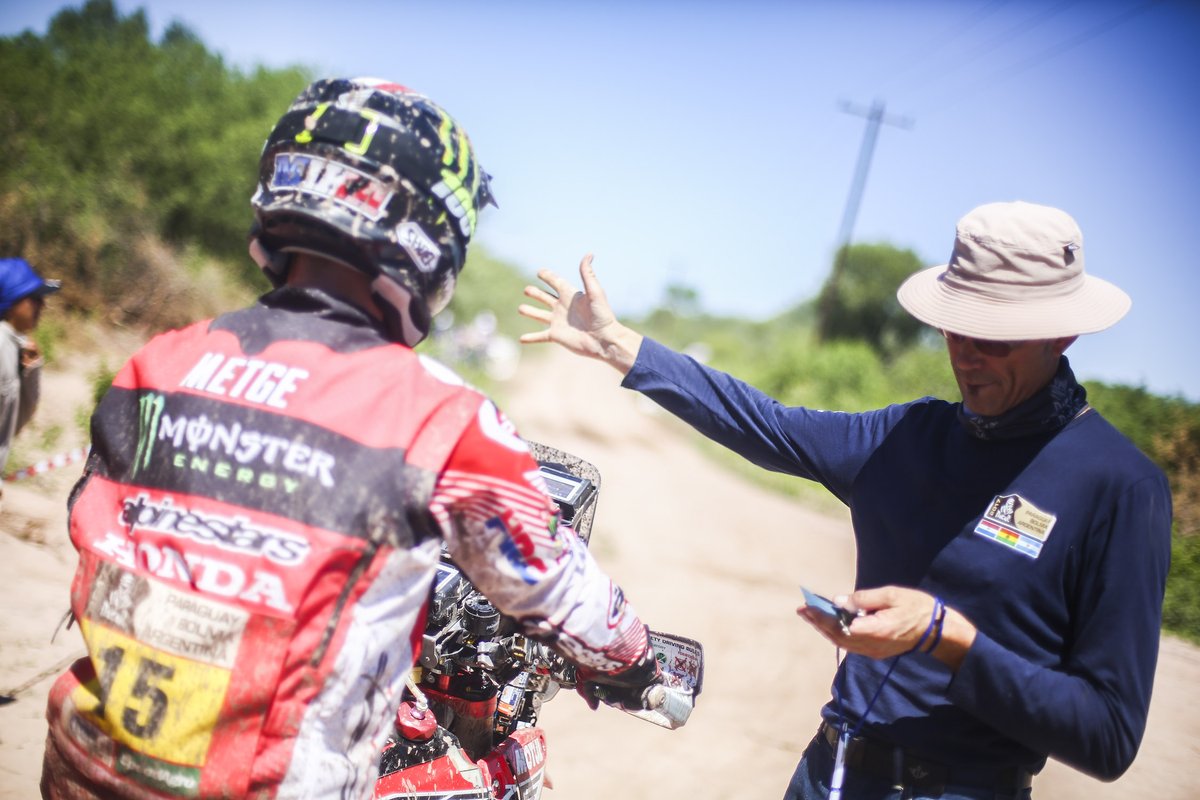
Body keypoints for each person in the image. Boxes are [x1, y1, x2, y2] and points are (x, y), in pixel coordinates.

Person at [40, 77, 661, 800]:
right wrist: (636, 663)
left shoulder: (158, 362)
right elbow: (564, 593)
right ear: (430, 240)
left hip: (82, 764)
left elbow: (91, 515)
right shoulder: (437, 413)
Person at [518, 201, 1172, 799]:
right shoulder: (910, 436)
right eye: (955, 330)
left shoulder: (1118, 487)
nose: (968, 357)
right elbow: (768, 424)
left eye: (994, 339)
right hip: (826, 776)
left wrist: (949, 639)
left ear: (1062, 335)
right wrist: (619, 345)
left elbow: (1108, 736)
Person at [0, 257, 61, 495]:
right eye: (34, 298)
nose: (42, 306)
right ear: (11, 301)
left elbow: (11, 425)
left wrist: (30, 372)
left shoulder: (13, 346)